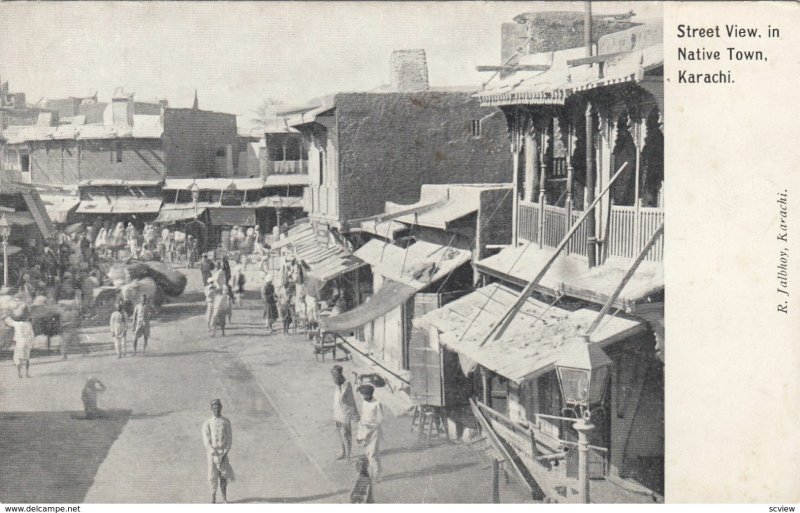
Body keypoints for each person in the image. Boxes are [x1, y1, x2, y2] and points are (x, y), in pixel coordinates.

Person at [202, 399, 234, 504]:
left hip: (223, 452)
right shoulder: (207, 422)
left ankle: (224, 498)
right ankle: (213, 498)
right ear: (211, 409)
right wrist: (213, 452)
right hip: (212, 454)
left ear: (221, 407)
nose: (217, 409)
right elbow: (206, 440)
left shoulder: (226, 421)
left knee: (223, 475)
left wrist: (224, 453)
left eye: (218, 407)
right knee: (212, 475)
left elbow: (229, 439)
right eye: (214, 407)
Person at [356, 384, 385, 483]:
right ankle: (371, 473)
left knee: (373, 455)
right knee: (368, 454)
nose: (362, 397)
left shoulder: (377, 404)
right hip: (365, 432)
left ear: (369, 394)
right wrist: (360, 435)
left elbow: (380, 420)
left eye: (363, 394)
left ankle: (377, 475)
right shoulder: (364, 402)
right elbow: (363, 418)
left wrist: (369, 428)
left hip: (374, 433)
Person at [332, 365, 360, 463]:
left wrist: (355, 415)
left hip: (345, 414)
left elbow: (343, 399)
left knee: (346, 435)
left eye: (334, 376)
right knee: (340, 434)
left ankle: (348, 456)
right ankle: (343, 452)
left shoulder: (346, 384)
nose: (333, 379)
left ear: (339, 375)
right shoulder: (337, 384)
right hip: (337, 413)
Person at [5, 306, 35, 378]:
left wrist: (8, 314)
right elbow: (32, 335)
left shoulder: (17, 324)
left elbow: (8, 321)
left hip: (19, 342)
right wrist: (31, 342)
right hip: (27, 341)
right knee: (27, 358)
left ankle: (19, 374)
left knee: (18, 358)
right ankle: (27, 374)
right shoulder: (28, 324)